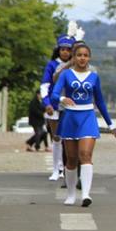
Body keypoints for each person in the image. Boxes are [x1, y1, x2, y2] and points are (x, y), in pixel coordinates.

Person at [49, 42, 115, 207]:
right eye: (79, 55)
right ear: (73, 57)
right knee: (71, 159)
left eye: (85, 55)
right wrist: (63, 99)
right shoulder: (66, 74)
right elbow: (54, 95)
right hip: (70, 117)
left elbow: (99, 101)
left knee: (85, 155)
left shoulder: (94, 76)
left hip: (88, 117)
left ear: (89, 58)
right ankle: (71, 194)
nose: (82, 58)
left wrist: (110, 123)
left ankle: (86, 194)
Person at [40, 26, 77, 180]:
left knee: (69, 137)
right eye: (62, 49)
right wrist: (46, 103)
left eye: (68, 50)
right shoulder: (52, 65)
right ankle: (57, 169)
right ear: (58, 50)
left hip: (70, 105)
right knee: (56, 137)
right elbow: (45, 86)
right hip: (55, 104)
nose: (65, 52)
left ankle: (69, 168)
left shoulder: (76, 66)